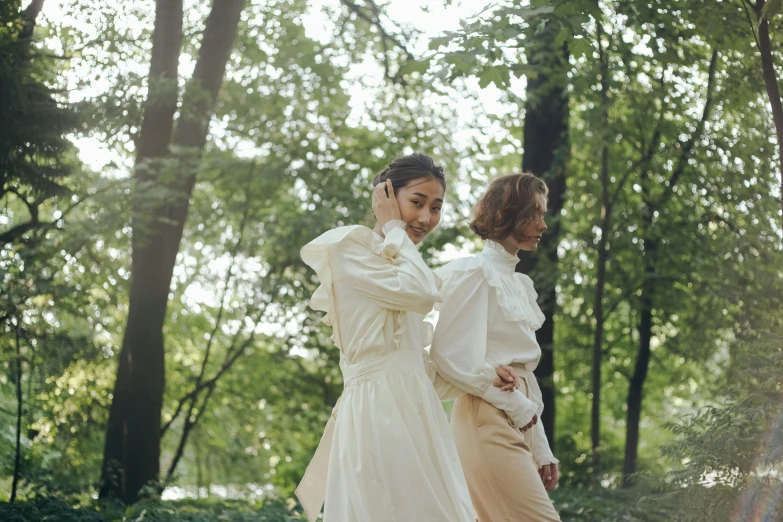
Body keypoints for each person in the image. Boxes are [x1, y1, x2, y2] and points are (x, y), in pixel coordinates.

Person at [295, 154, 518, 522]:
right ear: (385, 197)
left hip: (418, 415)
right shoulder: (351, 249)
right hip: (378, 415)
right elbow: (421, 294)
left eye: (436, 207)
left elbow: (417, 369)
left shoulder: (401, 263)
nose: (427, 218)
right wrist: (395, 229)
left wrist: (482, 376)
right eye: (416, 202)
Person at [431, 172, 561, 522]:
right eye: (535, 214)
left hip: (518, 412)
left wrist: (542, 447)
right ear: (510, 212)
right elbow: (449, 353)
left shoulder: (521, 283)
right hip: (484, 413)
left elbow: (522, 378)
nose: (543, 225)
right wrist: (516, 406)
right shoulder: (474, 273)